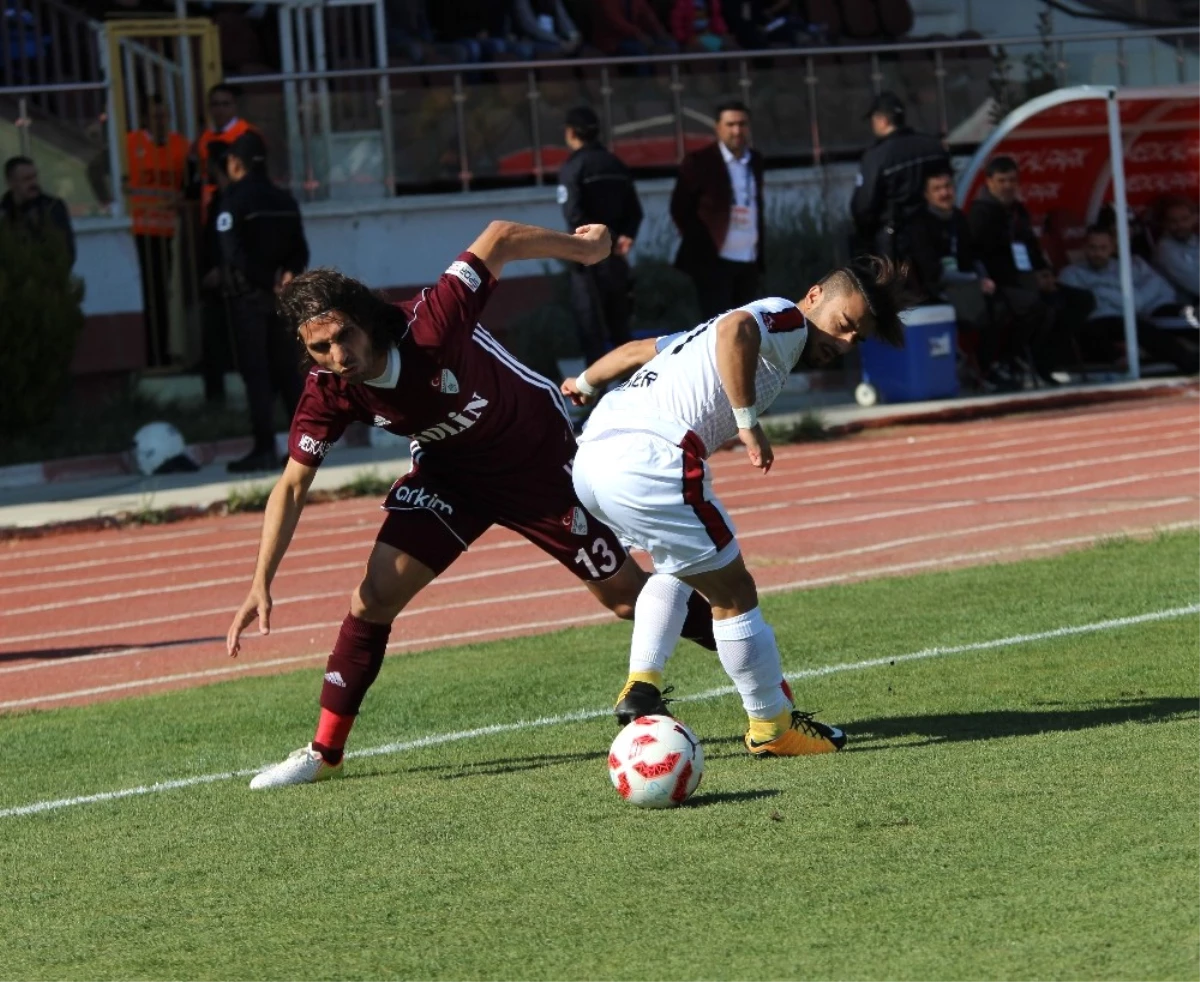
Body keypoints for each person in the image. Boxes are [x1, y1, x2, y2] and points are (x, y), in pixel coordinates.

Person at [228, 219, 718, 789]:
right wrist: (261, 579)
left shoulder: (431, 321)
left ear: (364, 319)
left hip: (538, 459)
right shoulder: (329, 389)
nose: (338, 355)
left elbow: (501, 236)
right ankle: (324, 752)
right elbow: (291, 485)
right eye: (320, 347)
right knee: (373, 597)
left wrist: (583, 250)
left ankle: (742, 648)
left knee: (626, 600)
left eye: (344, 337)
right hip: (451, 476)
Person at [563, 256, 908, 754]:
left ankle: (642, 687)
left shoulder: (703, 336)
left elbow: (639, 350)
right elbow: (737, 328)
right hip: (648, 457)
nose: (847, 340)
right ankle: (771, 724)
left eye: (859, 336)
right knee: (734, 591)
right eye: (844, 324)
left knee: (677, 568)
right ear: (813, 297)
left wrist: (586, 382)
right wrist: (747, 421)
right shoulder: (783, 318)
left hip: (594, 458)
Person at [217, 131, 310, 473]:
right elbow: (300, 248)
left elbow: (233, 253)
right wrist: (287, 275)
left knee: (256, 374)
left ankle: (263, 448)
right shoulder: (284, 199)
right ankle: (304, 446)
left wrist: (265, 279)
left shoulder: (233, 200)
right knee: (289, 373)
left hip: (250, 299)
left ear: (236, 163)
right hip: (285, 300)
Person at [968, 156, 1066, 384]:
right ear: (989, 182)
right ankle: (1010, 358)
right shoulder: (979, 214)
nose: (1008, 186)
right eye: (1002, 181)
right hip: (998, 282)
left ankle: (1044, 363)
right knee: (1033, 305)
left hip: (1025, 277)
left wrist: (1044, 272)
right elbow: (986, 258)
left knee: (1073, 300)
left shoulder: (1018, 211)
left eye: (1012, 180)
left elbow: (1031, 246)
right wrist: (1030, 280)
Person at [558, 106, 643, 363]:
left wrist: (600, 240)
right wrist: (623, 237)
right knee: (621, 330)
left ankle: (595, 394)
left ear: (571, 133)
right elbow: (635, 211)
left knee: (591, 330)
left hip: (587, 262)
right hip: (616, 260)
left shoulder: (573, 167)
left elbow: (573, 215)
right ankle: (632, 389)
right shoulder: (616, 163)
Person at [907, 168, 1006, 387]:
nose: (944, 193)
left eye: (948, 187)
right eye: (937, 189)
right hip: (937, 289)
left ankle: (988, 366)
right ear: (927, 195)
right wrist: (973, 280)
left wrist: (983, 277)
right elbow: (933, 272)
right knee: (986, 309)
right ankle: (978, 369)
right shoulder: (919, 225)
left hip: (966, 284)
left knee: (1003, 304)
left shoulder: (959, 218)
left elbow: (973, 255)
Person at [1057, 225, 1197, 375]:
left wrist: (1100, 290)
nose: (1097, 253)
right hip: (1093, 322)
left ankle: (1190, 365)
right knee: (1094, 331)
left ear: (1112, 248)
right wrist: (1120, 296)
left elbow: (1135, 303)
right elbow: (1087, 305)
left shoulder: (1124, 268)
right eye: (1092, 247)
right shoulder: (1071, 273)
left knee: (1149, 330)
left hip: (1127, 318)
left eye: (1103, 248)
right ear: (1084, 247)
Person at [670, 100, 765, 320]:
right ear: (718, 127)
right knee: (719, 325)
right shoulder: (699, 161)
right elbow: (679, 208)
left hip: (748, 257)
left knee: (748, 323)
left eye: (742, 124)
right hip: (715, 259)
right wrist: (699, 242)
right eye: (730, 124)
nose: (737, 131)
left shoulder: (755, 160)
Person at [126, 97, 190, 367]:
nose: (160, 121)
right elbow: (100, 168)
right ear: (144, 118)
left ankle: (162, 353)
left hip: (168, 231)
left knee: (164, 295)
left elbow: (190, 184)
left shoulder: (181, 146)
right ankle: (151, 354)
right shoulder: (130, 143)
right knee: (146, 294)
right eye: (155, 116)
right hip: (138, 230)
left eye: (164, 116)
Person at [850, 91, 949, 259]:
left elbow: (863, 206)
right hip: (939, 234)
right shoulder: (933, 146)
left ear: (882, 120)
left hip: (897, 244)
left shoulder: (877, 156)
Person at [192, 84, 258, 223]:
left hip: (238, 208)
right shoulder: (205, 137)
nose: (220, 109)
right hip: (211, 209)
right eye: (215, 104)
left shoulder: (247, 134)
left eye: (225, 104)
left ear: (235, 106)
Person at [1, 156, 75, 267]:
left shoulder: (53, 207)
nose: (33, 183)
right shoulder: (3, 213)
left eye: (35, 177)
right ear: (11, 182)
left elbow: (67, 251)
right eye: (27, 179)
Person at [589, 0, 679, 57]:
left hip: (635, 36)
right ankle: (645, 84)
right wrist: (638, 34)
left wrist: (661, 33)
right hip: (613, 40)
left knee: (671, 44)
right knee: (640, 49)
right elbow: (616, 22)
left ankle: (674, 81)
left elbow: (648, 15)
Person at [1154, 196, 1200, 303]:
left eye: (1185, 219)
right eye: (1173, 221)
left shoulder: (1196, 240)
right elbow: (1196, 283)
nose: (1180, 225)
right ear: (1165, 223)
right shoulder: (1165, 250)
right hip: (1183, 309)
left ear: (1195, 218)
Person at [513, 0, 582, 55]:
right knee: (526, 50)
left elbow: (563, 18)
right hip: (521, 40)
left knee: (578, 48)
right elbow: (530, 27)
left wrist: (573, 36)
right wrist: (559, 42)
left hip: (550, 40)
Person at [668, 0, 737, 50]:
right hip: (691, 37)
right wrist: (684, 39)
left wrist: (724, 32)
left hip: (708, 34)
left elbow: (716, 19)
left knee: (728, 45)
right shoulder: (682, 2)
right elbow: (677, 22)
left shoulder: (711, 2)